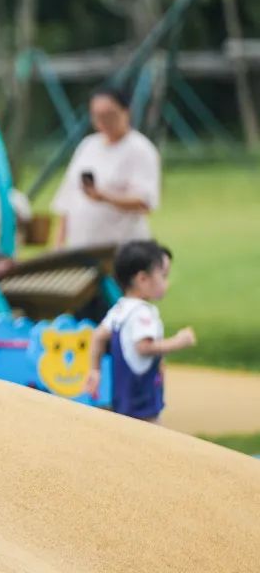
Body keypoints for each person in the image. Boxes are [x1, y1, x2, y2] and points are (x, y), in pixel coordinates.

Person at [83, 240, 197, 422]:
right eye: (163, 276)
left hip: (124, 398)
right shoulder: (143, 312)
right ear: (142, 279)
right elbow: (143, 347)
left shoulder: (120, 308)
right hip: (141, 398)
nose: (166, 283)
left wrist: (94, 370)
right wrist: (179, 341)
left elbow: (98, 336)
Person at [51, 87, 161, 249]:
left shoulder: (140, 149)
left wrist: (105, 196)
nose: (104, 121)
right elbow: (68, 198)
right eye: (97, 116)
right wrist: (58, 244)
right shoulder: (88, 145)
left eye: (109, 115)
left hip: (122, 248)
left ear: (126, 112)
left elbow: (144, 202)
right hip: (82, 246)